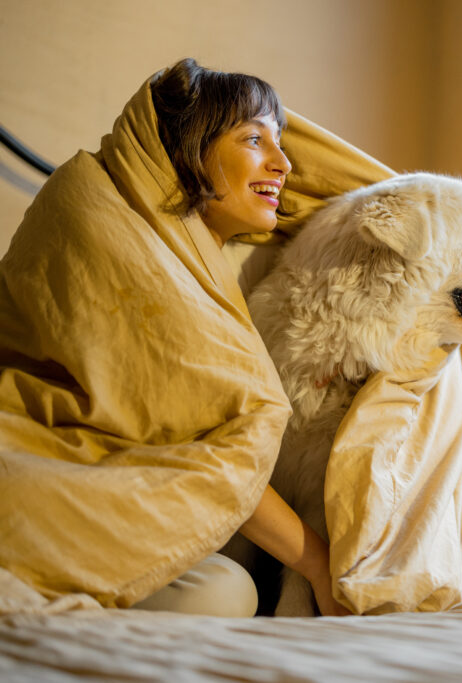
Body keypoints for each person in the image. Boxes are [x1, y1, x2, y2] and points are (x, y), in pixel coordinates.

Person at [0, 59, 391, 617]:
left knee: (224, 579)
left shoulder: (192, 248)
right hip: (37, 466)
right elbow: (221, 422)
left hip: (107, 478)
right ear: (182, 147)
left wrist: (260, 142)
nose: (285, 165)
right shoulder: (104, 217)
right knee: (224, 592)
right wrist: (318, 564)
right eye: (254, 139)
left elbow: (368, 192)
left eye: (281, 142)